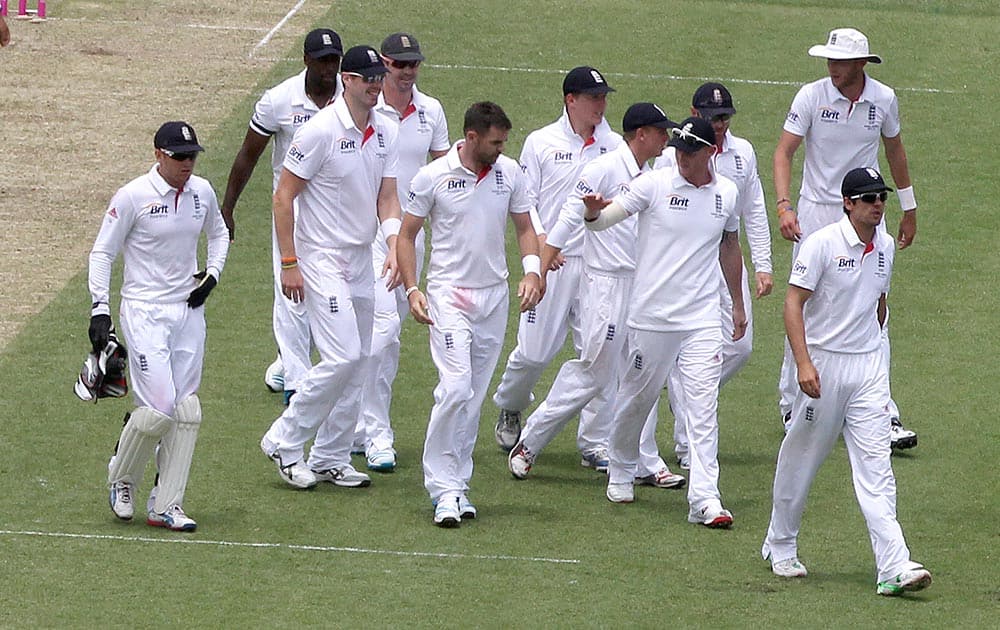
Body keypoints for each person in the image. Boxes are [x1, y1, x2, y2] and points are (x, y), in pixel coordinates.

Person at [761, 167, 931, 597]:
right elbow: (793, 305)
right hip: (823, 366)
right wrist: (803, 364)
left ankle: (893, 564)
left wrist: (876, 350)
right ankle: (780, 542)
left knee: (877, 469)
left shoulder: (887, 246)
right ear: (848, 203)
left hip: (868, 369)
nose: (878, 205)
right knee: (803, 456)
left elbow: (879, 301)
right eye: (869, 198)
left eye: (882, 198)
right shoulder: (820, 245)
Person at [507, 102, 684, 491]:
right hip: (604, 285)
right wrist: (538, 273)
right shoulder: (603, 169)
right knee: (595, 370)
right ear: (641, 134)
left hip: (641, 286)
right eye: (660, 132)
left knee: (642, 372)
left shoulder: (652, 175)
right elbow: (569, 220)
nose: (665, 139)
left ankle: (641, 459)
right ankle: (529, 443)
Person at [582, 117, 746, 528]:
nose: (681, 159)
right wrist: (592, 213)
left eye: (690, 153)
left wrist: (738, 305)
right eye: (678, 151)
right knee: (638, 397)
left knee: (702, 407)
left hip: (702, 319)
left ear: (710, 152)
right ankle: (622, 466)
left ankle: (704, 498)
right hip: (652, 317)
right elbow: (605, 220)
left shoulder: (727, 193)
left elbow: (730, 246)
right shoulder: (653, 184)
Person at [259, 45, 401, 491]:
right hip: (320, 257)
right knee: (341, 356)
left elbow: (388, 197)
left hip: (363, 257)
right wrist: (289, 263)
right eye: (368, 78)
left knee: (360, 360)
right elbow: (283, 197)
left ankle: (331, 456)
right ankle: (284, 440)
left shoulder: (385, 131)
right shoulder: (318, 131)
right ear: (348, 81)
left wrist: (394, 245)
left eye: (380, 77)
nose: (377, 85)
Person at [397, 101, 541, 527]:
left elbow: (526, 228)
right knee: (456, 387)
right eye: (495, 142)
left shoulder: (509, 173)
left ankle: (458, 485)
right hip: (448, 296)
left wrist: (531, 272)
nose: (501, 150)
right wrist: (412, 289)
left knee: (474, 397)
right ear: (472, 137)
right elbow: (406, 236)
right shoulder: (433, 177)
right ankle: (441, 487)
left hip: (493, 298)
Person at [773, 27, 918, 449]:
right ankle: (793, 403)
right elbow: (784, 151)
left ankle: (880, 413)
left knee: (875, 305)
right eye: (829, 61)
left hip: (868, 210)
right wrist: (784, 205)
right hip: (818, 213)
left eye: (839, 61)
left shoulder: (884, 100)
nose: (832, 68)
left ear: (860, 64)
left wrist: (908, 206)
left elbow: (895, 150)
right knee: (804, 302)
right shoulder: (811, 96)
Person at [90, 121, 230, 531]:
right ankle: (121, 477)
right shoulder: (133, 196)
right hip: (144, 311)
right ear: (158, 156)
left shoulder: (201, 192)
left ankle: (166, 503)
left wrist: (213, 275)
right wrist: (100, 309)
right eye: (179, 156)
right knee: (160, 409)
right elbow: (103, 253)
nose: (188, 164)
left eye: (192, 156)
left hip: (187, 311)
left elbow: (219, 234)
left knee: (187, 411)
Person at [492, 66, 623, 465]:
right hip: (552, 263)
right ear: (571, 100)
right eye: (593, 98)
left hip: (599, 267)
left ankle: (594, 442)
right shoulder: (541, 143)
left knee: (599, 356)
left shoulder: (615, 146)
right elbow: (525, 201)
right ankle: (512, 404)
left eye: (603, 98)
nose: (601, 105)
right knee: (532, 354)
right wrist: (547, 243)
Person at [220, 28, 344, 404]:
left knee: (335, 291)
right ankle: (296, 378)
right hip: (291, 211)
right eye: (322, 60)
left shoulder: (352, 99)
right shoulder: (278, 101)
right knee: (291, 291)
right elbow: (248, 155)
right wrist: (227, 208)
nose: (330, 68)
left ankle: (287, 362)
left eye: (334, 60)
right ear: (306, 60)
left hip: (341, 214)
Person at [659, 82, 773, 470]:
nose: (720, 124)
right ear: (695, 113)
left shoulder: (743, 154)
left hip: (728, 259)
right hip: (688, 266)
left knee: (740, 348)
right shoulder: (673, 155)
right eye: (712, 117)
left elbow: (753, 210)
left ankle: (682, 389)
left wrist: (764, 265)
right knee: (696, 358)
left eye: (724, 117)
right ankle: (688, 443)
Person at [353, 32, 450, 472]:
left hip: (410, 236)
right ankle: (376, 432)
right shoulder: (365, 112)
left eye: (414, 65)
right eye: (400, 65)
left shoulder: (431, 112)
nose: (408, 72)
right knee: (384, 329)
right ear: (384, 66)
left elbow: (447, 172)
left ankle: (355, 424)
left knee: (381, 338)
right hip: (368, 234)